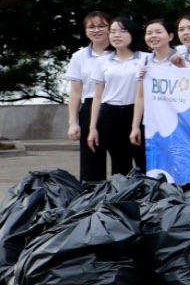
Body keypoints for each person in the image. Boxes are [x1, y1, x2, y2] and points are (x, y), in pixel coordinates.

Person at [84, 17, 147, 177]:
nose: (116, 35)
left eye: (122, 31)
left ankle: (148, 197)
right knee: (120, 164)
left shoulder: (146, 58)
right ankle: (123, 199)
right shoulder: (102, 61)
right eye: (112, 32)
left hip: (138, 113)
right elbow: (97, 97)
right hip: (109, 115)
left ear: (133, 34)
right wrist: (92, 128)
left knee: (143, 161)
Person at [64, 11, 112, 183]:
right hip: (90, 107)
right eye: (91, 27)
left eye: (101, 26)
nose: (96, 30)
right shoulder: (79, 57)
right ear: (85, 31)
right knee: (91, 161)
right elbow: (76, 92)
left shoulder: (121, 53)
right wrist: (73, 122)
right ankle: (91, 200)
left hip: (118, 105)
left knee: (121, 158)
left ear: (110, 28)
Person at [133, 19, 182, 145]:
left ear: (170, 36)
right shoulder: (144, 61)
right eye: (149, 33)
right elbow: (140, 96)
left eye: (158, 32)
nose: (153, 36)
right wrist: (135, 126)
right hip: (153, 123)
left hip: (180, 123)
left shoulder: (182, 57)